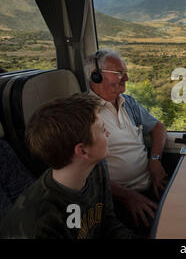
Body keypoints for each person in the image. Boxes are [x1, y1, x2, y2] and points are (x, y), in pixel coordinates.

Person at [0, 94, 135, 239]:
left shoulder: (94, 169)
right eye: (102, 130)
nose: (108, 133)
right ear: (82, 151)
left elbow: (107, 223)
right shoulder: (39, 223)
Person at [84, 49, 168, 237]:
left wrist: (155, 161)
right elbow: (85, 172)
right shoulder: (83, 112)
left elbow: (158, 128)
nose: (127, 78)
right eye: (120, 73)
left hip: (149, 184)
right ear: (96, 76)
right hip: (118, 199)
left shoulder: (127, 102)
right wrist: (127, 197)